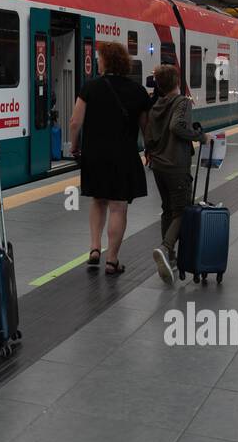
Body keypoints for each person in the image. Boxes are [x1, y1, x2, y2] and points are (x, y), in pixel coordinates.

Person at [68, 41, 151, 276]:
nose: (97, 61)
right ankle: (112, 260)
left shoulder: (90, 87)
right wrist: (150, 150)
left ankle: (95, 248)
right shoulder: (138, 91)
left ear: (105, 61)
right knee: (118, 207)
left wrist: (74, 147)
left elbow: (75, 122)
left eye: (99, 58)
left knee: (98, 201)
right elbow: (147, 128)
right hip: (123, 156)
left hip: (95, 155)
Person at [144, 63, 206, 283]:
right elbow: (177, 126)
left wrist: (150, 152)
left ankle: (169, 257)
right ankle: (166, 246)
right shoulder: (182, 102)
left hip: (158, 166)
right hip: (175, 165)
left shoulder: (156, 105)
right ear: (177, 81)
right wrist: (199, 136)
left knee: (167, 210)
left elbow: (149, 136)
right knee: (182, 210)